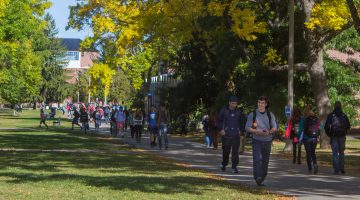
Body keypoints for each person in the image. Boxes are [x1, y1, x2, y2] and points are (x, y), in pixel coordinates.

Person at [245, 96, 277, 186]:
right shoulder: (253, 114)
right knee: (257, 159)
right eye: (259, 102)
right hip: (256, 140)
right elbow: (247, 127)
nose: (260, 104)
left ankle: (262, 178)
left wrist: (269, 132)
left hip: (267, 141)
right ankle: (257, 177)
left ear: (266, 104)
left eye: (262, 103)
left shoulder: (270, 115)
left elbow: (275, 128)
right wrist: (256, 131)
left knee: (265, 162)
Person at [217, 95, 246, 174]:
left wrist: (242, 132)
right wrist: (220, 130)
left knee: (235, 152)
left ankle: (234, 167)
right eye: (232, 103)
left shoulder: (239, 112)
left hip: (236, 135)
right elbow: (218, 121)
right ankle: (224, 164)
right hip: (226, 135)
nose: (234, 105)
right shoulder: (223, 111)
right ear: (229, 103)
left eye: (235, 103)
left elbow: (242, 123)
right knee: (226, 152)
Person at [325, 101, 351, 175]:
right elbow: (348, 126)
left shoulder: (331, 115)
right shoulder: (344, 115)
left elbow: (326, 126)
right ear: (340, 106)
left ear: (334, 106)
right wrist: (344, 132)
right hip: (342, 136)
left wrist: (330, 134)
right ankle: (342, 168)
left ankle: (336, 169)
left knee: (335, 153)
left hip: (334, 136)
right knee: (342, 152)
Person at [302, 105, 320, 174]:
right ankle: (315, 164)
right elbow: (320, 128)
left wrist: (298, 137)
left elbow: (301, 129)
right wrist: (318, 136)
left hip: (307, 138)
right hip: (314, 138)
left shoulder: (304, 119)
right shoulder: (316, 119)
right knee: (313, 152)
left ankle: (310, 168)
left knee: (308, 153)